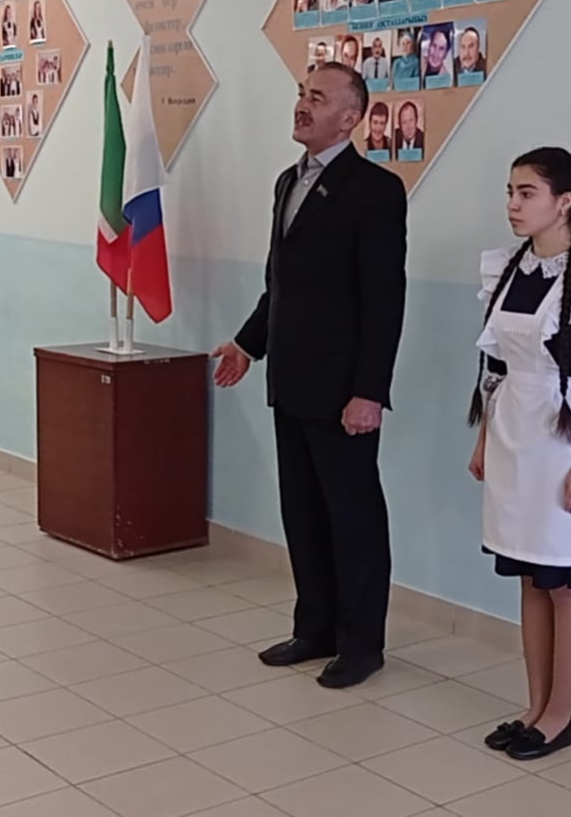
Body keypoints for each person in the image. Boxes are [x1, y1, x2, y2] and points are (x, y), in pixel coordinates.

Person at [212, 63, 408, 690]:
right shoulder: (287, 182)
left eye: (317, 98)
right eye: (302, 94)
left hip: (344, 390)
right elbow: (282, 284)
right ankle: (315, 627)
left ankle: (361, 644)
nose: (302, 105)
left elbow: (384, 301)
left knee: (353, 518)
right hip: (292, 381)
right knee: (302, 512)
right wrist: (247, 344)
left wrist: (369, 391)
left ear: (350, 118)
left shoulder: (375, 190)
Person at [468, 148, 571, 762]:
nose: (513, 204)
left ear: (565, 202)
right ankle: (534, 708)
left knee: (565, 583)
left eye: (527, 192)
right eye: (510, 192)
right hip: (515, 437)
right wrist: (484, 438)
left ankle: (561, 716)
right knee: (532, 578)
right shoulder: (507, 268)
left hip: (567, 443)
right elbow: (494, 366)